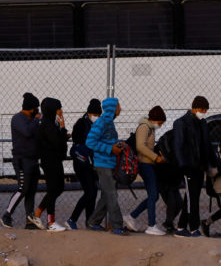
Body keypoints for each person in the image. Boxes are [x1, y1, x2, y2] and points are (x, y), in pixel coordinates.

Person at [86, 97, 128, 234]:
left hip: (109, 163)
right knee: (111, 194)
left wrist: (118, 144)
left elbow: (107, 140)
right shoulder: (102, 122)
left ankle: (94, 222)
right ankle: (117, 226)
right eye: (118, 105)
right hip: (103, 164)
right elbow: (90, 142)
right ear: (113, 108)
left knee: (106, 195)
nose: (120, 108)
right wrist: (110, 149)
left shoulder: (109, 122)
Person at [172, 96, 212, 237]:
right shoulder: (182, 123)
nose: (204, 112)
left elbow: (206, 145)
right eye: (202, 109)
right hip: (188, 167)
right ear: (194, 108)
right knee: (192, 198)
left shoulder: (202, 123)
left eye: (205, 110)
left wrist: (208, 164)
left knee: (192, 196)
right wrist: (183, 165)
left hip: (199, 167)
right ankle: (194, 228)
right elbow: (178, 146)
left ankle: (182, 227)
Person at [125, 106, 168, 236]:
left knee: (153, 196)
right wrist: (155, 157)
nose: (160, 126)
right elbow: (140, 146)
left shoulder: (149, 128)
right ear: (155, 119)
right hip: (145, 164)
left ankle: (132, 216)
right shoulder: (144, 127)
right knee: (153, 195)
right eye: (160, 123)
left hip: (148, 164)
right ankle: (151, 225)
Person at [1, 93, 42, 229]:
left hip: (33, 159)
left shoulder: (32, 120)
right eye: (36, 108)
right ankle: (7, 214)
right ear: (32, 108)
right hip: (22, 160)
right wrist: (36, 120)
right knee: (23, 188)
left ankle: (29, 220)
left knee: (31, 190)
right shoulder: (18, 119)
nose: (38, 110)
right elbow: (27, 132)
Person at [33, 97, 68, 231]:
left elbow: (58, 140)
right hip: (50, 161)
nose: (61, 111)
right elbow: (57, 142)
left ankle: (48, 221)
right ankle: (42, 217)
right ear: (53, 109)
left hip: (54, 160)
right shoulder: (47, 124)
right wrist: (63, 129)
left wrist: (62, 133)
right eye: (59, 108)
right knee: (55, 189)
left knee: (57, 188)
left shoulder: (51, 123)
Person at [67, 99, 101, 230]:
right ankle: (72, 219)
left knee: (92, 192)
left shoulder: (97, 125)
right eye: (94, 114)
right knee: (90, 192)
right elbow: (78, 140)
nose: (96, 117)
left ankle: (89, 221)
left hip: (92, 163)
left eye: (98, 115)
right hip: (82, 163)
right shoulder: (81, 123)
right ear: (88, 113)